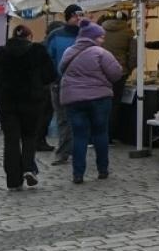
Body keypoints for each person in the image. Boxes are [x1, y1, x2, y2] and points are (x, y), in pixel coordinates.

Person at [0, 24, 55, 190]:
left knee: (10, 140)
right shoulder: (38, 52)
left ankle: (13, 179)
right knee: (29, 137)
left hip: (7, 103)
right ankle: (28, 168)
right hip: (31, 102)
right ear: (29, 36)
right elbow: (50, 75)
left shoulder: (0, 53)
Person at [59, 22, 123, 183]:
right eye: (101, 37)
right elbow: (116, 74)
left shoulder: (69, 51)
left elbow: (61, 70)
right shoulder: (100, 53)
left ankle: (78, 174)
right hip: (99, 98)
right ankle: (103, 169)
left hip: (74, 99)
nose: (103, 40)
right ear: (92, 37)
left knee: (79, 136)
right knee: (100, 133)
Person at [43, 9, 82, 161]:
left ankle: (75, 149)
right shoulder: (56, 35)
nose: (78, 18)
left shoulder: (85, 34)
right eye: (75, 16)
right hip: (59, 82)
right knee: (62, 117)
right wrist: (52, 78)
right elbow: (48, 58)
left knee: (78, 117)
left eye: (80, 15)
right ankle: (64, 150)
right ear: (68, 18)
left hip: (80, 82)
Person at [97, 12, 137, 143]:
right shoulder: (128, 32)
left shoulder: (100, 30)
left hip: (101, 70)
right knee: (114, 104)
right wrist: (128, 68)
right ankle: (109, 136)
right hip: (120, 72)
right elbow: (134, 55)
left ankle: (97, 134)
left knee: (99, 102)